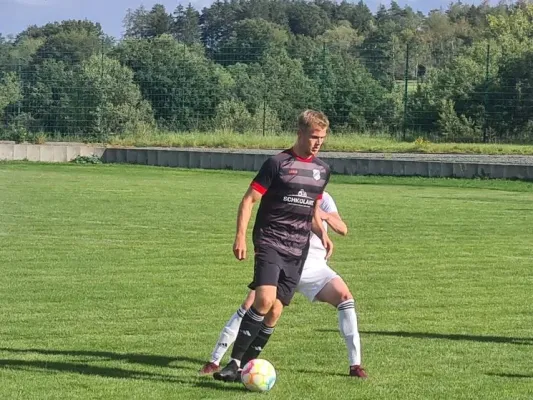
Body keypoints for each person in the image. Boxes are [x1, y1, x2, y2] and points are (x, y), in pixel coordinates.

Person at [212, 110, 333, 382]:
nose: (318, 143)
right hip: (270, 241)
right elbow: (248, 200)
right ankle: (233, 363)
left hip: (297, 248)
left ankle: (247, 366)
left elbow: (312, 207)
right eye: (314, 137)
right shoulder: (276, 164)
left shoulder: (322, 170)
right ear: (300, 133)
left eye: (322, 139)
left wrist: (321, 233)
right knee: (264, 300)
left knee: (276, 310)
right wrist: (240, 237)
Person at [200, 191, 367, 379]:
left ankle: (355, 365)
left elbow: (343, 229)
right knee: (254, 305)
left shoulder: (325, 199)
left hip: (314, 267)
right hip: (285, 263)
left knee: (345, 297)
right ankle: (216, 360)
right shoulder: (288, 192)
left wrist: (322, 213)